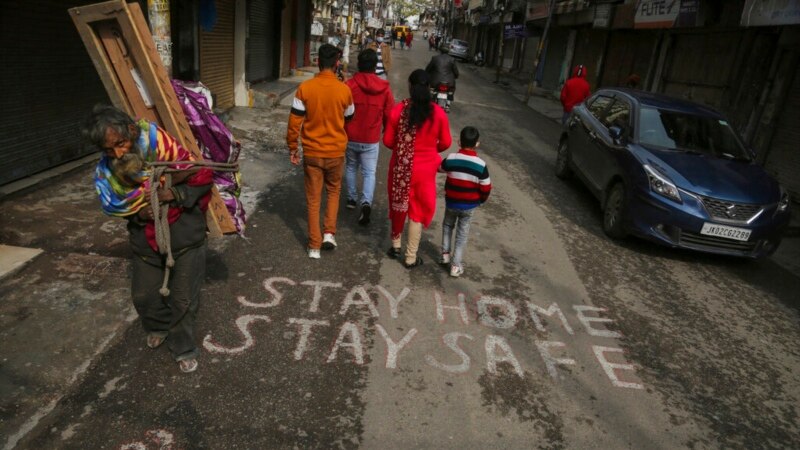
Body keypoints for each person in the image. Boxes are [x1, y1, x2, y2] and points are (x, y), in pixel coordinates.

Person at [83, 105, 212, 374]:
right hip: (145, 242)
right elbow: (116, 204)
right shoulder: (107, 173)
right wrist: (140, 212)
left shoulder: (163, 147)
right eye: (108, 150)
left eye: (120, 144)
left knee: (183, 299)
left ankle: (184, 347)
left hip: (186, 237)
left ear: (131, 130)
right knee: (143, 296)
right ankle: (159, 326)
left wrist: (174, 195)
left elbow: (202, 178)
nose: (117, 153)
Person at [287, 44, 355, 259]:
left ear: (317, 62)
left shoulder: (305, 88)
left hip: (312, 152)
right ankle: (328, 233)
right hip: (335, 152)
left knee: (313, 199)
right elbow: (349, 117)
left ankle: (314, 246)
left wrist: (292, 147)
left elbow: (294, 121)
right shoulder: (345, 90)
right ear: (337, 63)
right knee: (333, 192)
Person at [383, 69, 452, 268]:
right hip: (425, 170)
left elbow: (388, 140)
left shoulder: (398, 110)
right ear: (429, 88)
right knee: (417, 211)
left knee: (398, 203)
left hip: (400, 167)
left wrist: (403, 150)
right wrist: (431, 150)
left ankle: (395, 244)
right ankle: (411, 257)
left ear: (410, 87)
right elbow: (446, 142)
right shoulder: (438, 113)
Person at [344, 49, 395, 226]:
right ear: (375, 66)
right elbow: (390, 114)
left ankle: (351, 199)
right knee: (369, 173)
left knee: (351, 167)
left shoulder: (349, 85)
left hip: (350, 136)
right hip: (371, 139)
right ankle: (366, 202)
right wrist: (387, 131)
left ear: (359, 64)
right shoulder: (384, 88)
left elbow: (341, 110)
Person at [438, 126, 492, 278]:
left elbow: (440, 168)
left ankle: (445, 254)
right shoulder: (481, 165)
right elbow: (486, 187)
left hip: (451, 202)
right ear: (477, 144)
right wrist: (481, 200)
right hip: (469, 205)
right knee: (462, 235)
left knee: (448, 225)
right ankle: (455, 265)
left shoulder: (451, 158)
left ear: (459, 142)